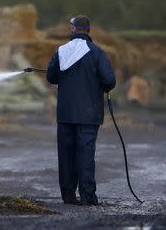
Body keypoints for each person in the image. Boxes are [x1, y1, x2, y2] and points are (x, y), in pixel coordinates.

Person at [46, 15, 116, 206]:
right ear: (89, 30)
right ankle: (88, 197)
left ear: (73, 29)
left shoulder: (61, 51)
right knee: (85, 155)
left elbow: (51, 77)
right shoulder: (97, 53)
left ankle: (68, 196)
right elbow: (110, 80)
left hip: (66, 114)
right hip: (89, 115)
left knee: (66, 155)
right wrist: (100, 85)